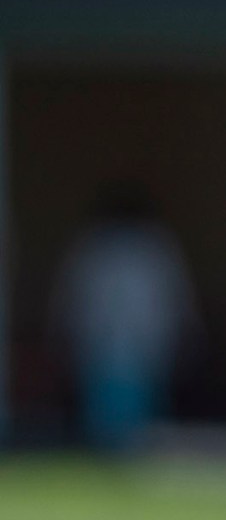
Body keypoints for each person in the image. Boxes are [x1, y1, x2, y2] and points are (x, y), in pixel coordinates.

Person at [54, 186, 192, 451]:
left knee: (127, 420)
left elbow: (170, 300)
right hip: (111, 348)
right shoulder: (99, 248)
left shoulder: (150, 248)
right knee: (113, 417)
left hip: (126, 348)